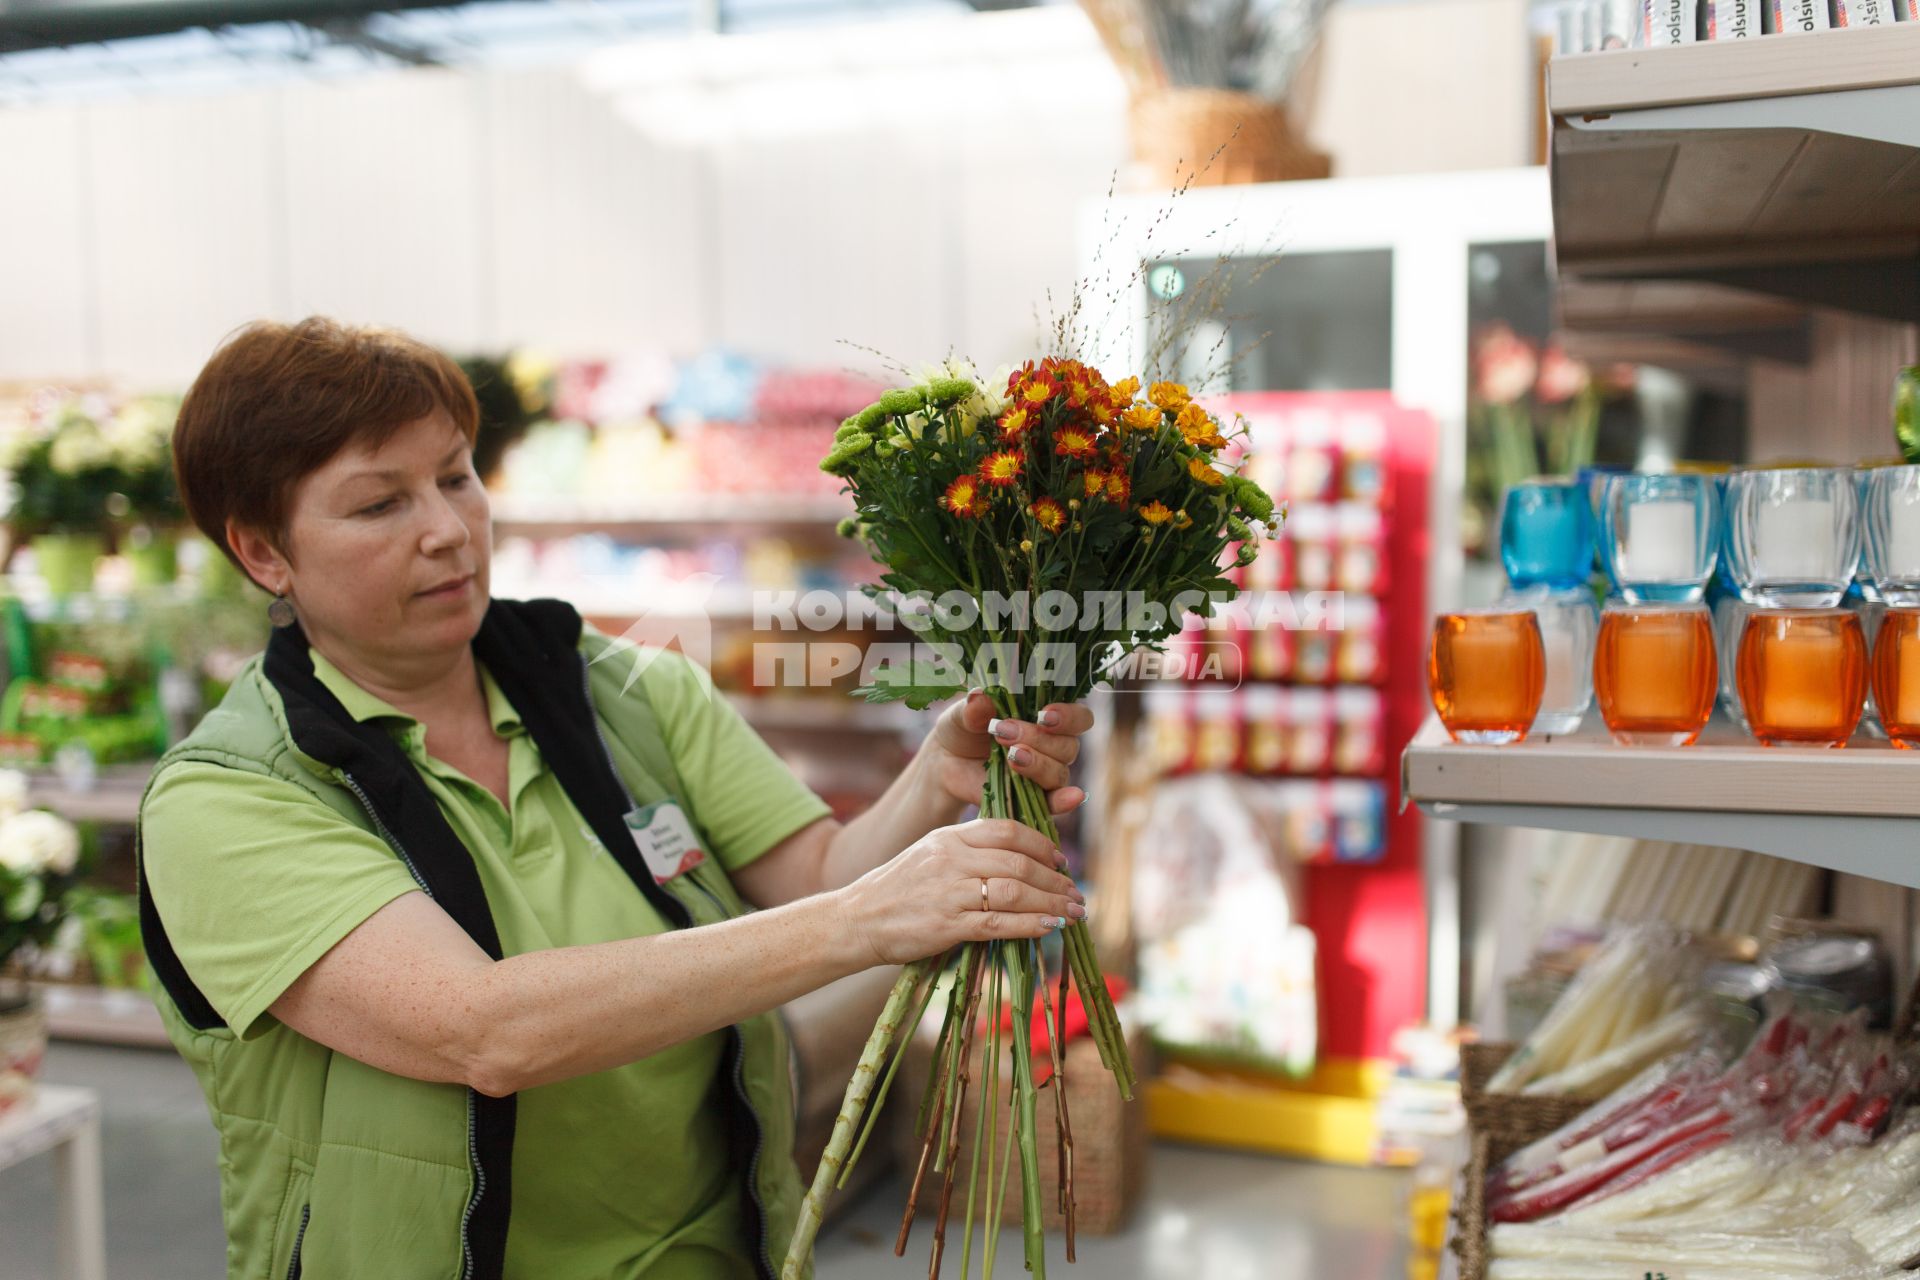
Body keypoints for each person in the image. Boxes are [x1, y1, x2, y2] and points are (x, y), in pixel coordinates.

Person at [136, 317, 1093, 1280]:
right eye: (380, 505)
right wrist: (868, 919)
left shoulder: (629, 691)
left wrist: (939, 775)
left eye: (457, 476)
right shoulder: (229, 800)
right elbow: (484, 1030)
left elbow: (813, 872)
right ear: (265, 554)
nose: (446, 529)